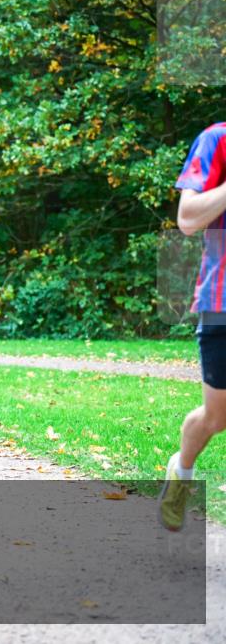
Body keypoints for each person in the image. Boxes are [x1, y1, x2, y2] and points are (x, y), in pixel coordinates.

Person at [159, 121, 226, 531]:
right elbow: (187, 217)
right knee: (217, 417)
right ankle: (181, 472)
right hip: (222, 301)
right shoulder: (217, 139)